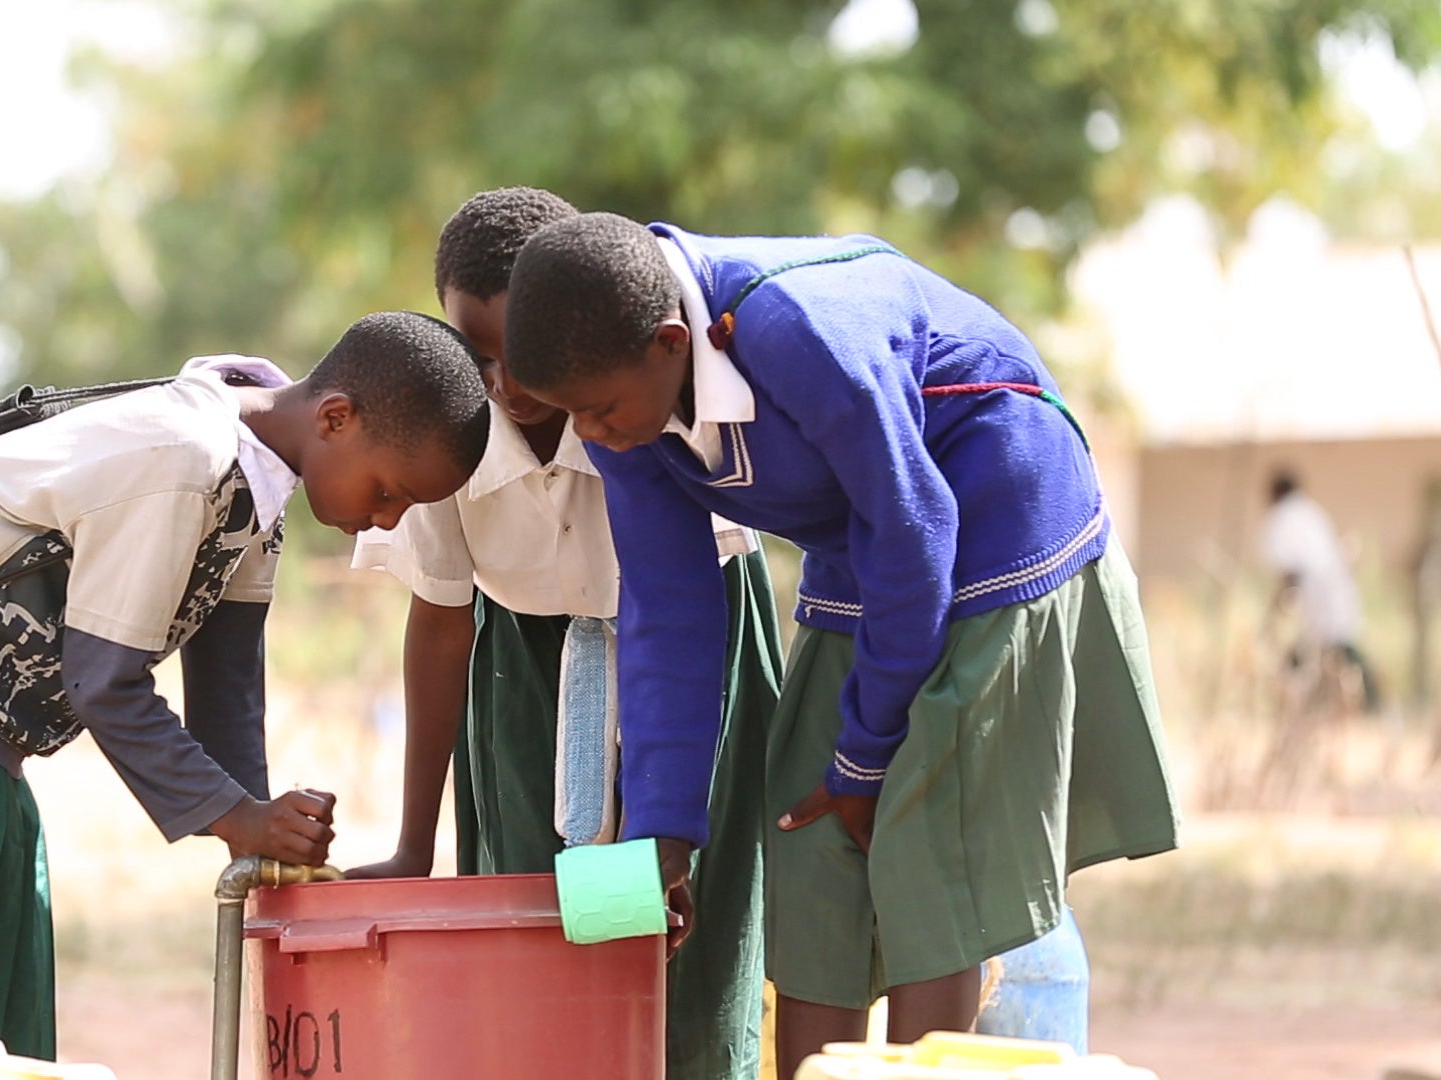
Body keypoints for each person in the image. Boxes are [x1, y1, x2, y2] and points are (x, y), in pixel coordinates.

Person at [501, 212, 1180, 1077]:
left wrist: (865, 759)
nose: (588, 434)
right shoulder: (619, 404)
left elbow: (916, 527)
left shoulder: (797, 333)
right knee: (806, 828)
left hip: (995, 512)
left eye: (596, 411)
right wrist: (663, 834)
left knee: (928, 832)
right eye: (572, 417)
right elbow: (669, 610)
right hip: (871, 544)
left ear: (672, 343)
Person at [0, 312, 492, 1059]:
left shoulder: (254, 488)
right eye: (389, 491)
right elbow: (105, 681)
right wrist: (240, 819)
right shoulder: (182, 456)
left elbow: (227, 685)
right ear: (336, 417)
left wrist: (267, 843)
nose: (384, 520)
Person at [344, 189, 782, 1080]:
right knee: (536, 942)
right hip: (521, 683)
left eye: (520, 356)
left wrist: (665, 825)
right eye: (480, 358)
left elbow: (695, 598)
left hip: (693, 657)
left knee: (684, 944)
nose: (506, 383)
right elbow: (439, 622)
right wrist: (412, 843)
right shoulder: (445, 434)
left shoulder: (635, 404)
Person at [1260, 467, 1378, 712]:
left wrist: (1272, 615)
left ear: (1274, 492)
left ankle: (1368, 705)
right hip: (1334, 593)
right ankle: (1350, 705)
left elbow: (1288, 571)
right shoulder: (1311, 512)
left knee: (1330, 654)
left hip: (1318, 598)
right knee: (1332, 650)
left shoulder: (1283, 517)